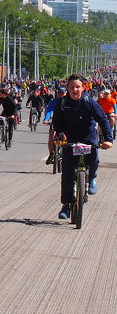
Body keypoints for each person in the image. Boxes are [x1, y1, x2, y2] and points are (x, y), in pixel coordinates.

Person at [50, 74, 113, 216]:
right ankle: (66, 206)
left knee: (94, 159)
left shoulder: (89, 102)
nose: (74, 90)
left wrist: (108, 139)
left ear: (83, 88)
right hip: (70, 139)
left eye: (77, 87)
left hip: (88, 137)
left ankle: (91, 178)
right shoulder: (62, 103)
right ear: (67, 88)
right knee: (67, 174)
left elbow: (103, 120)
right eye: (71, 87)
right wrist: (60, 134)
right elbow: (57, 122)